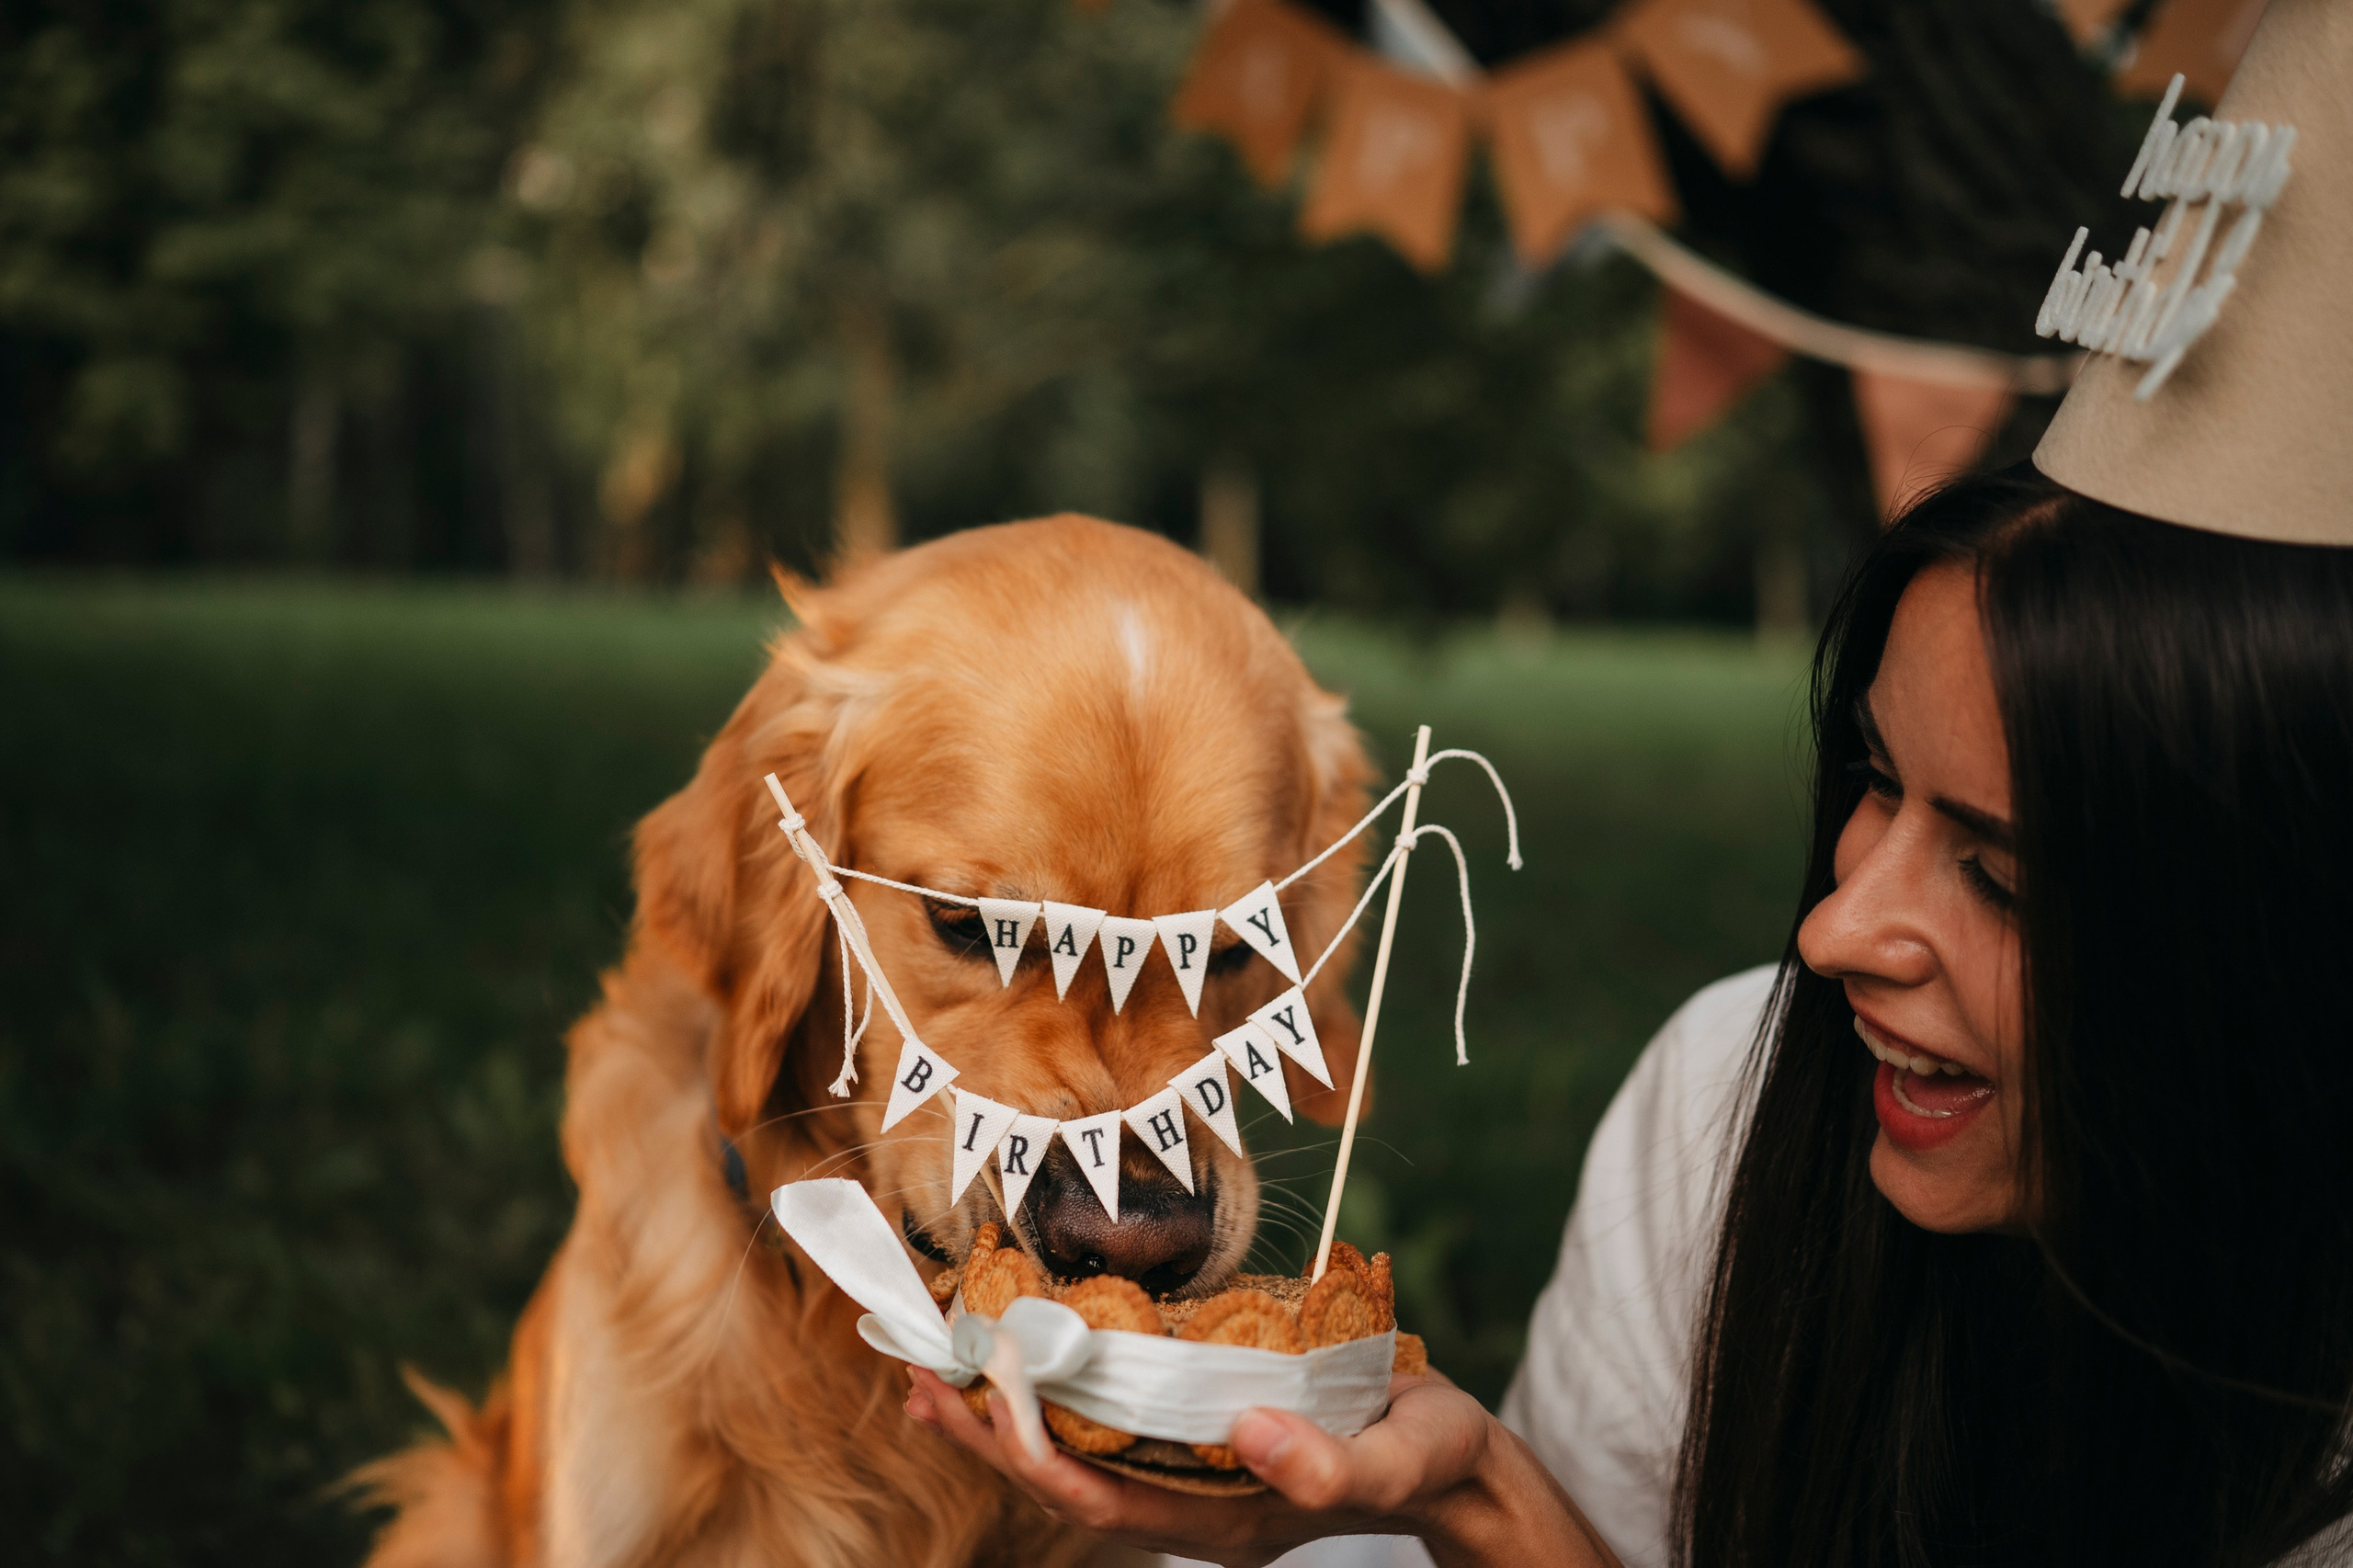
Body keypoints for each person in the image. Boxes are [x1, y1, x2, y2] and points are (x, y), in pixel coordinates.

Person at [905, 3, 2353, 1562]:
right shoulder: (1724, 1113)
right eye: (1874, 783)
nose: (1836, 931)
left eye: (1999, 873)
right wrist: (1487, 1502)